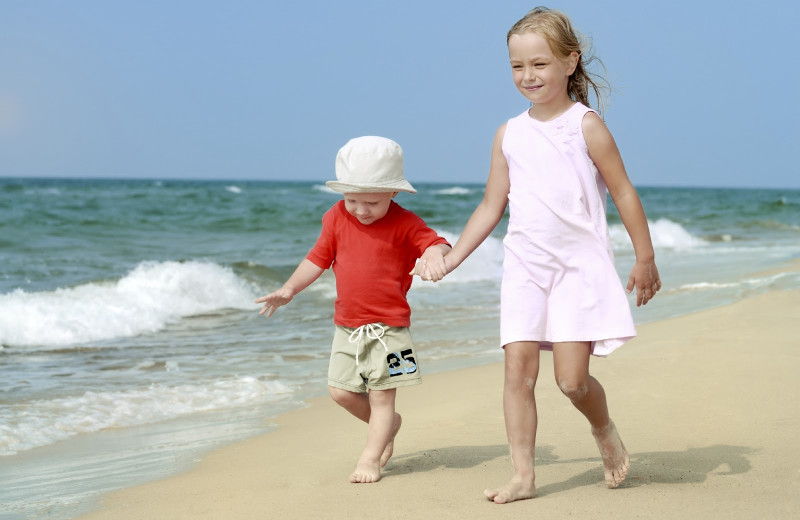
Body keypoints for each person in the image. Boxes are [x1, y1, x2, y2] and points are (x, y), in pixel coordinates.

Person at [414, 6, 661, 504]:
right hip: (525, 265)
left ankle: (604, 428)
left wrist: (645, 258)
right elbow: (491, 205)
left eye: (540, 64)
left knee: (572, 382)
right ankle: (523, 476)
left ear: (570, 62)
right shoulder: (509, 133)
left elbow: (624, 193)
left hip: (578, 268)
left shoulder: (585, 126)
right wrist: (452, 256)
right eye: (517, 66)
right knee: (517, 370)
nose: (528, 76)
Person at [255, 136, 450, 484]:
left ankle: (370, 459)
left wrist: (434, 255)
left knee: (382, 398)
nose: (360, 209)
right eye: (352, 200)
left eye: (371, 202)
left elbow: (436, 242)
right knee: (341, 392)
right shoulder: (335, 217)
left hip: (392, 332)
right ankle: (390, 425)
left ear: (393, 193)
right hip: (346, 327)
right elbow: (317, 259)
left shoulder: (405, 223)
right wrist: (289, 289)